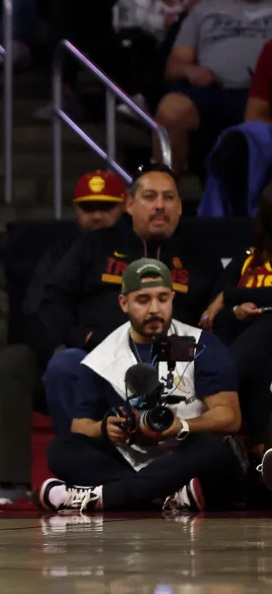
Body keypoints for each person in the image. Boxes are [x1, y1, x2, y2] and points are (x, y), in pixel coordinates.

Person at [38, 258, 244, 513]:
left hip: (187, 451)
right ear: (124, 303)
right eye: (143, 300)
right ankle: (166, 495)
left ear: (172, 298)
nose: (154, 309)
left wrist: (183, 425)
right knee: (60, 449)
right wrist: (105, 428)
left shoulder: (199, 344)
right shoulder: (103, 356)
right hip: (133, 456)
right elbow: (80, 425)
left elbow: (230, 417)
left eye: (163, 298)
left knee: (216, 449)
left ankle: (105, 496)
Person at [39, 164, 223, 433]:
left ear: (180, 206)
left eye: (169, 197)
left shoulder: (202, 257)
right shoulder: (95, 245)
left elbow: (214, 319)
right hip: (101, 351)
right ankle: (80, 455)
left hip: (174, 357)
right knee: (63, 366)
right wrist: (86, 338)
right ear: (129, 203)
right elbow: (53, 300)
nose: (160, 205)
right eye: (150, 197)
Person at [0, 169, 126, 504]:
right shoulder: (59, 251)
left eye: (106, 206)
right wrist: (64, 345)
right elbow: (35, 312)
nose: (97, 215)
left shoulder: (134, 248)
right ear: (76, 211)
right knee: (12, 362)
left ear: (124, 207)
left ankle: (86, 470)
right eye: (88, 207)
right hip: (68, 353)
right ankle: (13, 482)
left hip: (117, 355)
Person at [156, 0, 272, 172]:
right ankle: (165, 199)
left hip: (267, 95)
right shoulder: (204, 12)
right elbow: (173, 66)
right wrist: (191, 71)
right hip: (216, 92)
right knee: (171, 110)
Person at [200, 182, 272, 471]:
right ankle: (261, 453)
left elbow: (228, 296)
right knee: (263, 361)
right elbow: (214, 315)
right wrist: (236, 310)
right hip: (249, 352)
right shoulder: (247, 260)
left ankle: (220, 383)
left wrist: (236, 298)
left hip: (243, 357)